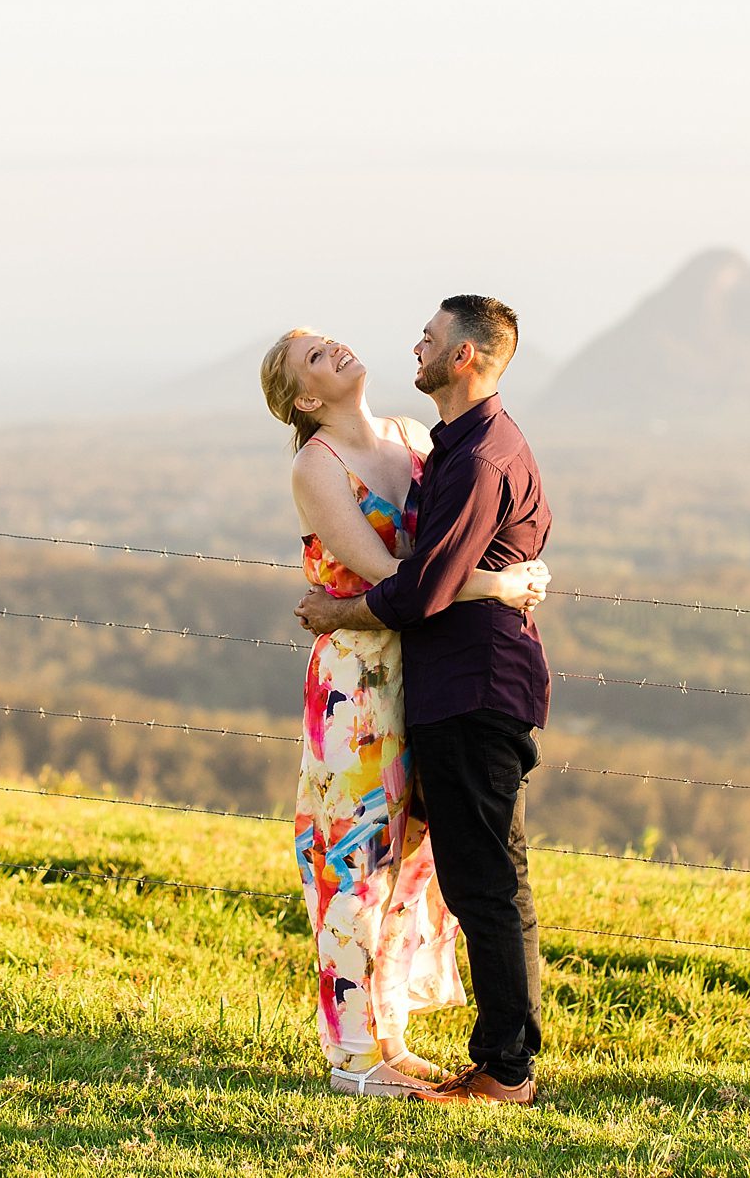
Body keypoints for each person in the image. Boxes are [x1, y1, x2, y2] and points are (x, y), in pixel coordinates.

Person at [261, 326, 550, 1098]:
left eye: (328, 341)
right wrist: (499, 585)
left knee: (412, 861)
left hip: (424, 671)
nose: (335, 349)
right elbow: (396, 575)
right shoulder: (317, 466)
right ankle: (353, 1055)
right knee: (354, 860)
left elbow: (447, 550)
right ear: (305, 399)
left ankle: (390, 1033)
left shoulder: (412, 435)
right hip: (358, 682)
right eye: (315, 358)